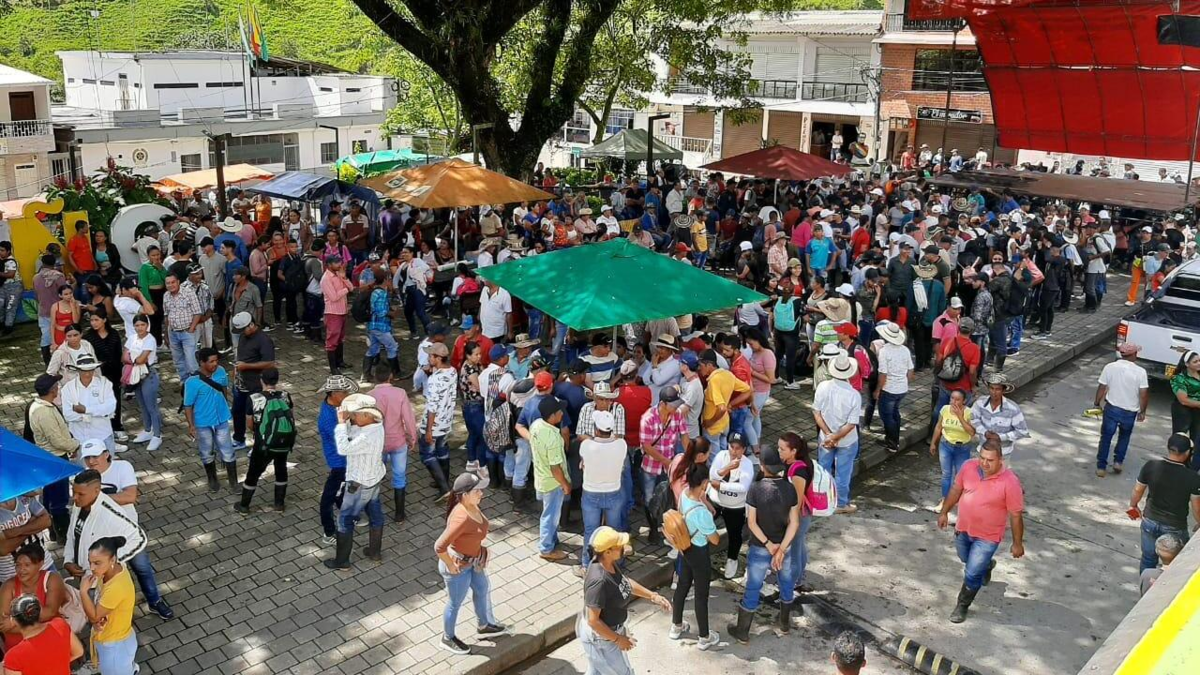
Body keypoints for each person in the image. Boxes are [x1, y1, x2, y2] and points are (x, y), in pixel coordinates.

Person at [64, 468, 173, 620]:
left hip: (102, 582)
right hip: (85, 575)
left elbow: (139, 538)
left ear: (96, 491)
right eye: (73, 492)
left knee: (104, 620)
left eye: (80, 494)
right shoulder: (79, 505)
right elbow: (72, 534)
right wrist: (68, 560)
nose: (74, 498)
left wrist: (107, 562)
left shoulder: (110, 514)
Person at [937, 443, 1025, 623]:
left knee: (971, 573)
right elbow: (955, 489)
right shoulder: (969, 466)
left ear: (1000, 460)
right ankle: (987, 565)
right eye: (982, 458)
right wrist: (944, 511)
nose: (984, 463)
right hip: (963, 529)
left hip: (988, 538)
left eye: (990, 460)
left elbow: (1015, 516)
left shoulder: (1010, 482)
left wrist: (1017, 543)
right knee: (965, 558)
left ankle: (962, 605)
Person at [727, 442, 801, 644]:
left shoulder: (755, 489)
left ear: (762, 467)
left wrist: (769, 545)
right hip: (784, 547)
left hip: (761, 547)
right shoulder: (790, 488)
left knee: (753, 586)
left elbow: (751, 522)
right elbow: (794, 522)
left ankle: (743, 631)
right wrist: (781, 549)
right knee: (786, 583)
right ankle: (784, 623)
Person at [577, 526, 672, 675]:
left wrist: (653, 596)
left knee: (596, 671)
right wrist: (618, 639)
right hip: (602, 639)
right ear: (607, 552)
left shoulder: (608, 563)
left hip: (609, 635)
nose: (624, 547)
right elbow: (593, 621)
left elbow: (624, 583)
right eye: (619, 546)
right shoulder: (599, 581)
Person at [433, 472, 508, 655]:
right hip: (459, 568)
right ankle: (447, 638)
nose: (481, 493)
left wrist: (480, 552)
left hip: (473, 563)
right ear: (464, 494)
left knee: (482, 588)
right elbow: (439, 546)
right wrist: (451, 566)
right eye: (476, 491)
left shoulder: (471, 505)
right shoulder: (461, 517)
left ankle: (484, 626)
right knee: (455, 603)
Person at [325, 394, 387, 569]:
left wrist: (340, 424)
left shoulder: (367, 436)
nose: (352, 416)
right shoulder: (376, 426)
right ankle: (374, 552)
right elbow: (354, 433)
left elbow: (344, 448)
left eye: (355, 414)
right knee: (376, 516)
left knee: (344, 520)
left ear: (367, 415)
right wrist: (348, 423)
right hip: (374, 479)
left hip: (359, 484)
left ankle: (342, 561)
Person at [1129, 433, 1200, 574]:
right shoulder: (1192, 478)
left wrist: (1133, 506)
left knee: (1148, 558)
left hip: (1149, 520)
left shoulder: (1151, 466)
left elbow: (1138, 490)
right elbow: (1196, 506)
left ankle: (1147, 587)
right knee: (1175, 563)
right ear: (1187, 453)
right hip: (1174, 526)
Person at [669, 462, 721, 651]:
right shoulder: (702, 512)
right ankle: (704, 637)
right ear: (705, 482)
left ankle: (676, 626)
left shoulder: (683, 495)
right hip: (699, 552)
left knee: (682, 585)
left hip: (684, 548)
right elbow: (715, 540)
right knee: (701, 595)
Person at [236, 368, 295, 513]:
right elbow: (291, 417)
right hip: (283, 440)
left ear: (261, 380)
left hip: (263, 444)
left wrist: (259, 431)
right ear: (277, 380)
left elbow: (249, 423)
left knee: (254, 473)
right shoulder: (285, 396)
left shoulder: (254, 398)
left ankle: (244, 505)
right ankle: (279, 504)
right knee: (281, 469)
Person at [578, 410, 629, 572]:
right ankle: (617, 563)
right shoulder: (622, 445)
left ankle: (587, 565)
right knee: (615, 529)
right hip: (614, 491)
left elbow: (584, 461)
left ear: (596, 429)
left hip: (591, 493)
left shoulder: (586, 446)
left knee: (590, 531)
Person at [80, 536, 138, 674]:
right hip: (118, 641)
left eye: (97, 563)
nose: (92, 568)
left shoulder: (116, 587)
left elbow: (94, 616)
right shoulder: (114, 570)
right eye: (90, 562)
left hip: (115, 647)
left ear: (112, 560)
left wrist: (83, 592)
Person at [813, 354, 862, 513]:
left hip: (825, 437)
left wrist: (828, 435)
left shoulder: (822, 387)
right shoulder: (854, 395)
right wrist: (836, 437)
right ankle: (841, 504)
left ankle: (821, 501)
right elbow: (851, 423)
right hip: (847, 441)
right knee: (843, 473)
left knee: (823, 470)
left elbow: (817, 413)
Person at [370, 362, 419, 523]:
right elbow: (408, 419)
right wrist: (412, 438)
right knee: (399, 476)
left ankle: (374, 512)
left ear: (375, 376)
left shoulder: (370, 396)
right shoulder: (400, 393)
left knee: (375, 476)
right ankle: (399, 514)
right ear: (391, 375)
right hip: (398, 441)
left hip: (378, 444)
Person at [184, 348, 236, 492]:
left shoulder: (220, 371)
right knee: (206, 452)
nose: (215, 364)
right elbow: (187, 405)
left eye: (216, 361)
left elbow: (224, 388)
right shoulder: (192, 382)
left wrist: (225, 404)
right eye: (211, 361)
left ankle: (234, 481)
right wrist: (191, 426)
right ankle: (212, 480)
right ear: (202, 363)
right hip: (203, 422)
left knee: (227, 450)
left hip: (221, 418)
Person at [0, 541, 67, 652]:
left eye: (27, 565)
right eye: (18, 565)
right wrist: (40, 623)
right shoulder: (8, 586)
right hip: (20, 647)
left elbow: (50, 612)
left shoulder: (51, 579)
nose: (21, 570)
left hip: (49, 641)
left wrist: (14, 622)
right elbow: (3, 624)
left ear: (40, 564)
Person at [1095, 343, 1150, 476]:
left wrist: (1097, 403)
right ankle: (1118, 462)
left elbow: (1102, 387)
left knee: (1106, 437)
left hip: (1112, 408)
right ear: (1133, 355)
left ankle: (1101, 467)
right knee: (1124, 436)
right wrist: (1142, 411)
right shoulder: (1140, 372)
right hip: (1130, 412)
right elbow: (1143, 394)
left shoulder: (1110, 367)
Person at [527, 396, 571, 561]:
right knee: (550, 516)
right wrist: (565, 484)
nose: (562, 413)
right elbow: (555, 468)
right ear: (552, 415)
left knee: (549, 512)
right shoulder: (552, 437)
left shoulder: (536, 425)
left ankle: (552, 539)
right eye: (560, 411)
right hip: (552, 482)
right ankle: (546, 549)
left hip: (540, 477)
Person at [317, 375, 358, 544]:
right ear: (333, 393)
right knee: (328, 497)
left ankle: (349, 514)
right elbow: (341, 443)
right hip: (340, 461)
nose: (347, 394)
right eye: (344, 392)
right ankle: (329, 532)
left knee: (341, 490)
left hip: (344, 459)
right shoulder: (327, 419)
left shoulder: (336, 406)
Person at [2, 591, 83, 674]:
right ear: (39, 611)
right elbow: (79, 651)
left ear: (13, 620)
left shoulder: (13, 657)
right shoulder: (60, 625)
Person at [709, 432, 753, 580]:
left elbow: (743, 487)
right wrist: (726, 468)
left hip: (735, 506)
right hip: (715, 501)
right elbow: (712, 475)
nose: (734, 451)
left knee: (735, 535)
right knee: (703, 525)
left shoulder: (747, 464)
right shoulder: (722, 456)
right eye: (731, 447)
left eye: (738, 448)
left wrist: (721, 486)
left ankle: (732, 559)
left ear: (744, 449)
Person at [230, 312, 276, 452]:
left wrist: (246, 366)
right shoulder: (244, 336)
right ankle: (239, 438)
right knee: (237, 412)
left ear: (251, 325)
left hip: (256, 385)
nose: (241, 333)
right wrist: (237, 370)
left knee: (257, 416)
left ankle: (259, 443)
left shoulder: (264, 340)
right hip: (241, 383)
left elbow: (269, 363)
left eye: (243, 329)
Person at [60, 353, 122, 452]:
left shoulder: (105, 384)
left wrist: (85, 410)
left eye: (90, 370)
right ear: (78, 370)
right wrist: (96, 413)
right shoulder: (68, 388)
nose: (87, 374)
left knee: (108, 465)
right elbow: (68, 415)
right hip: (79, 438)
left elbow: (110, 408)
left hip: (103, 435)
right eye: (84, 371)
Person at [697, 349, 752, 454]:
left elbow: (721, 408)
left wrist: (710, 422)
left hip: (713, 427)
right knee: (724, 451)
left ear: (709, 365)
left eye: (701, 365)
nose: (699, 369)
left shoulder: (714, 381)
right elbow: (748, 390)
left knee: (714, 456)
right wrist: (730, 404)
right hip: (725, 423)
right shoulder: (727, 374)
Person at [422, 342, 458, 495]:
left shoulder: (434, 380)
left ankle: (444, 488)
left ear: (437, 358)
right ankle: (444, 480)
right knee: (442, 451)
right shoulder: (452, 371)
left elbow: (432, 407)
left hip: (434, 424)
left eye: (431, 355)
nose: (429, 358)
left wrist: (428, 430)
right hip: (447, 421)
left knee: (427, 454)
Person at [970, 373, 1030, 463]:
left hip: (1003, 455)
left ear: (1003, 390)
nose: (994, 392)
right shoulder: (980, 403)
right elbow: (973, 419)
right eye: (991, 388)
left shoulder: (1013, 409)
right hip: (983, 451)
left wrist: (1001, 437)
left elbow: (1022, 431)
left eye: (997, 389)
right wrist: (984, 432)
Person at [123, 314, 162, 451]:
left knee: (152, 406)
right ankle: (147, 430)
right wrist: (135, 358)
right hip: (134, 375)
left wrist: (132, 358)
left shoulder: (150, 339)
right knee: (142, 404)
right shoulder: (132, 338)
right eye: (137, 325)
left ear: (147, 325)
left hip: (147, 374)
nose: (140, 328)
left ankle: (157, 435)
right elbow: (124, 357)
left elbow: (142, 360)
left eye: (142, 325)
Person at [930, 390, 977, 500]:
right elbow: (938, 427)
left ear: (964, 401)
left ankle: (957, 498)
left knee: (960, 475)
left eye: (957, 399)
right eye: (952, 398)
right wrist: (933, 443)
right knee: (946, 474)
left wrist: (960, 417)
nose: (953, 402)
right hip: (946, 445)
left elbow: (972, 432)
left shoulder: (969, 413)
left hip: (963, 448)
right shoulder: (945, 409)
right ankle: (945, 499)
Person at [874, 322, 912, 452]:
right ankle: (894, 439)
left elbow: (883, 374)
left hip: (889, 388)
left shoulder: (884, 351)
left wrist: (878, 390)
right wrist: (905, 381)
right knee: (895, 412)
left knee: (887, 416)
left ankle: (892, 442)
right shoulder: (905, 350)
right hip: (902, 388)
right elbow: (910, 370)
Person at [321, 255, 355, 375]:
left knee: (340, 338)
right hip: (333, 312)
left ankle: (339, 361)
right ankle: (333, 367)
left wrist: (344, 278)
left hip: (342, 311)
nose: (339, 265)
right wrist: (346, 289)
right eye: (336, 263)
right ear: (329, 265)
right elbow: (334, 297)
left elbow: (352, 287)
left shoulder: (338, 275)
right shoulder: (326, 279)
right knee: (332, 340)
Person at [1170, 350, 1200, 468]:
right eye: (1195, 361)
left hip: (1197, 411)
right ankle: (1176, 464)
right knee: (1180, 438)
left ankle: (1191, 466)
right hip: (1182, 411)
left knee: (1197, 438)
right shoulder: (1179, 378)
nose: (1199, 363)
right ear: (1187, 364)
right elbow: (1183, 400)